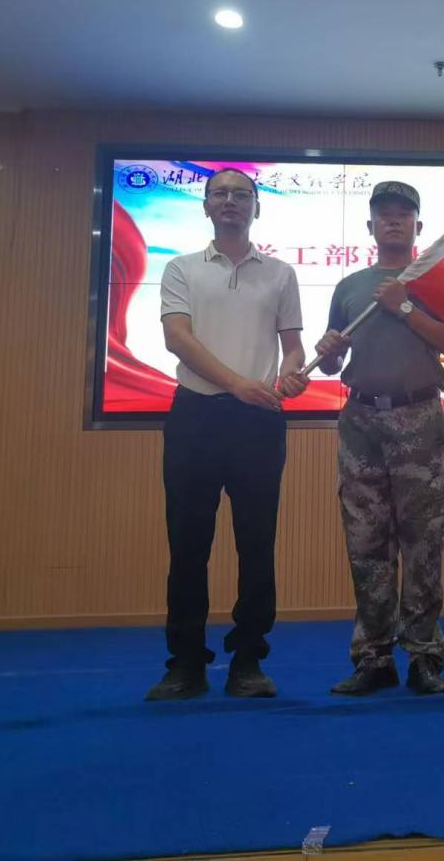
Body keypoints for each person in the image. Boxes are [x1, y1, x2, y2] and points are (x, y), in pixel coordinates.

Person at [146, 168, 308, 701]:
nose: (231, 201)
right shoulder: (181, 268)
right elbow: (178, 339)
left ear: (257, 207)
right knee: (187, 544)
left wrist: (292, 373)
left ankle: (248, 661)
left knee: (257, 543)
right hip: (196, 415)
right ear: (206, 206)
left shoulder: (281, 273)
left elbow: (292, 346)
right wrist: (238, 383)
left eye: (242, 194)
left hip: (259, 421)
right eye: (220, 194)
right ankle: (185, 664)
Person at [314, 181, 444, 696]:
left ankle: (424, 656)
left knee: (422, 541)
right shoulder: (350, 286)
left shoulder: (439, 283)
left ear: (418, 226)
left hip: (418, 418)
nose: (394, 220)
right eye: (384, 214)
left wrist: (405, 307)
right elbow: (334, 362)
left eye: (403, 214)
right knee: (366, 543)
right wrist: (329, 352)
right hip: (361, 421)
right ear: (370, 227)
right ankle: (374, 658)